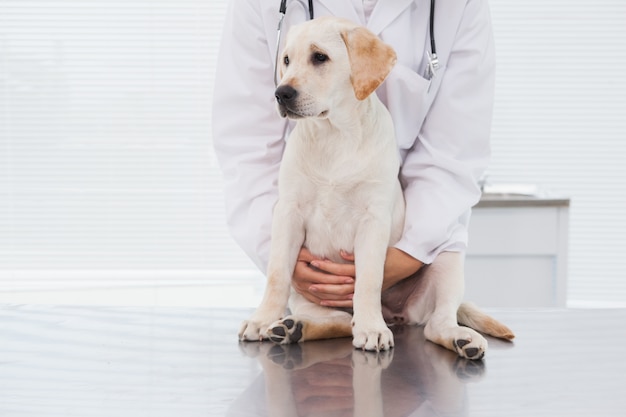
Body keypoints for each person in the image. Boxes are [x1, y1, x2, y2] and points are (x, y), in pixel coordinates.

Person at [212, 0, 495, 309]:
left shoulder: (459, 6)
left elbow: (455, 148)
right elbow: (246, 144)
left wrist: (410, 252)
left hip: (413, 256)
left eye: (320, 57)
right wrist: (284, 259)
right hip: (314, 262)